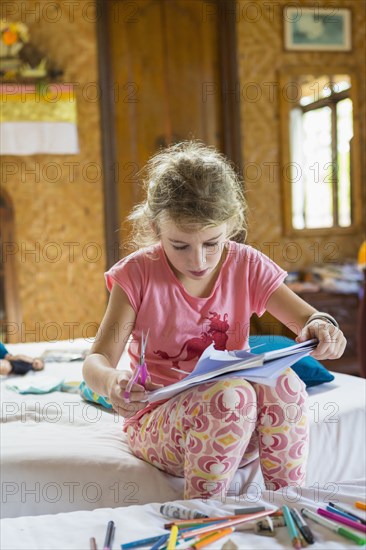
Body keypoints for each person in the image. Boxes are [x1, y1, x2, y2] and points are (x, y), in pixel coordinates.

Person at [82, 141, 346, 500]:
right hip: (161, 424)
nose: (199, 260)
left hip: (240, 425)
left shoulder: (246, 264)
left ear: (231, 225)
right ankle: (204, 514)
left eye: (212, 242)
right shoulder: (137, 274)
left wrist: (323, 326)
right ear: (155, 228)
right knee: (231, 395)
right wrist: (112, 381)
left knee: (284, 384)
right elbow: (95, 362)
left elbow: (309, 317)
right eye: (180, 245)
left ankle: (288, 503)